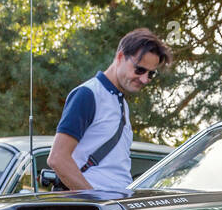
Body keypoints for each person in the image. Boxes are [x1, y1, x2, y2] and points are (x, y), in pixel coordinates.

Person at [46, 28, 170, 192]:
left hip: (118, 207)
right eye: (139, 70)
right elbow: (57, 158)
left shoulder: (121, 103)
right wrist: (97, 201)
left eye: (151, 74)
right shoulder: (88, 94)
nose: (144, 79)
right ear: (120, 57)